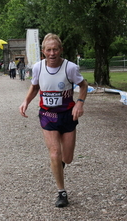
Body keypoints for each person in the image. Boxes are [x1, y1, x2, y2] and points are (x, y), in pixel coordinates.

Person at [19, 33, 88, 207]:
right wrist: (26, 101)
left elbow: (83, 85)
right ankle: (61, 192)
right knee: (55, 153)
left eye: (55, 49)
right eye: (48, 50)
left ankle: (58, 165)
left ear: (61, 50)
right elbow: (35, 86)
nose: (52, 53)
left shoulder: (70, 68)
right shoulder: (38, 68)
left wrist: (79, 103)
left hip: (67, 115)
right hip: (48, 115)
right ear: (43, 52)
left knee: (68, 157)